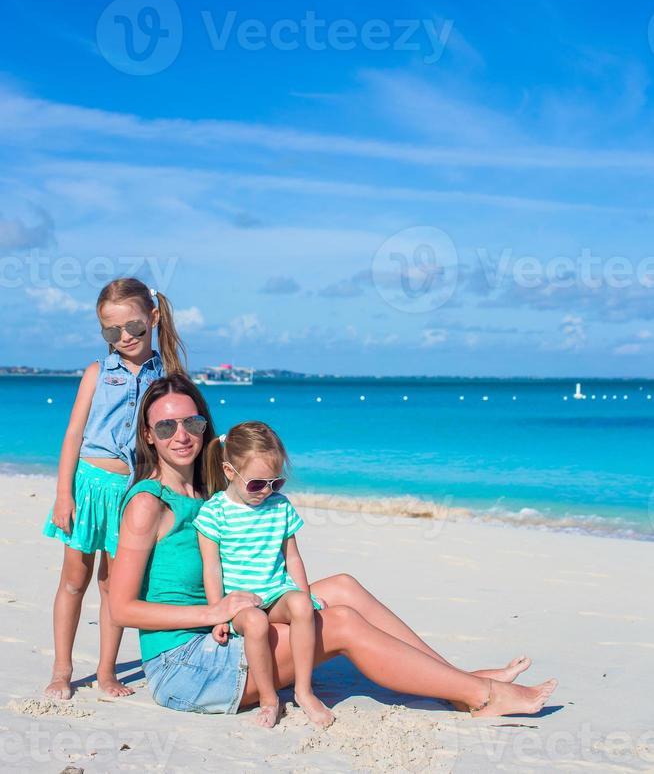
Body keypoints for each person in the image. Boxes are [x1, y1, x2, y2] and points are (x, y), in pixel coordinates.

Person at [110, 373, 558, 719]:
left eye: (192, 421)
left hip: (232, 630)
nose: (181, 434)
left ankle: (455, 682)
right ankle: (483, 695)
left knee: (341, 586)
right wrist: (212, 612)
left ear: (206, 425)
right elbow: (122, 609)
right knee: (339, 623)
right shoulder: (148, 504)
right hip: (187, 667)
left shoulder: (211, 494)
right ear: (148, 435)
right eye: (165, 426)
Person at [42, 278, 186, 700]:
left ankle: (106, 673)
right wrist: (63, 495)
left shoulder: (168, 378)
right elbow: (73, 436)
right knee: (74, 579)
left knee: (113, 585)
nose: (124, 338)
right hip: (87, 487)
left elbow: (173, 441)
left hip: (133, 492)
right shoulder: (97, 373)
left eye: (134, 328)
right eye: (112, 331)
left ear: (154, 319)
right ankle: (62, 669)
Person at [194, 422, 333, 729]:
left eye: (276, 483)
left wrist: (304, 594)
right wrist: (218, 614)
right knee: (255, 621)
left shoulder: (279, 507)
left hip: (275, 591)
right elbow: (212, 568)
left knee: (301, 605)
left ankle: (304, 690)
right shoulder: (213, 513)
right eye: (257, 484)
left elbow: (292, 556)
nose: (267, 491)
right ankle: (270, 698)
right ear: (230, 472)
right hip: (239, 603)